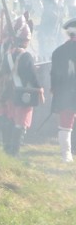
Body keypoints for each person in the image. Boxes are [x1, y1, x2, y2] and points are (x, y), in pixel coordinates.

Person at [1, 16, 44, 156]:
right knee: (20, 123)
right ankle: (15, 152)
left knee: (12, 120)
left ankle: (7, 148)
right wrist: (40, 88)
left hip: (11, 92)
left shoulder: (8, 55)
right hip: (23, 93)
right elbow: (32, 75)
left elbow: (6, 72)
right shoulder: (26, 57)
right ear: (26, 41)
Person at [50, 18, 76, 162]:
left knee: (65, 123)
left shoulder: (58, 51)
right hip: (69, 92)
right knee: (67, 124)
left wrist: (55, 90)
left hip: (64, 93)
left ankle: (66, 155)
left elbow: (54, 75)